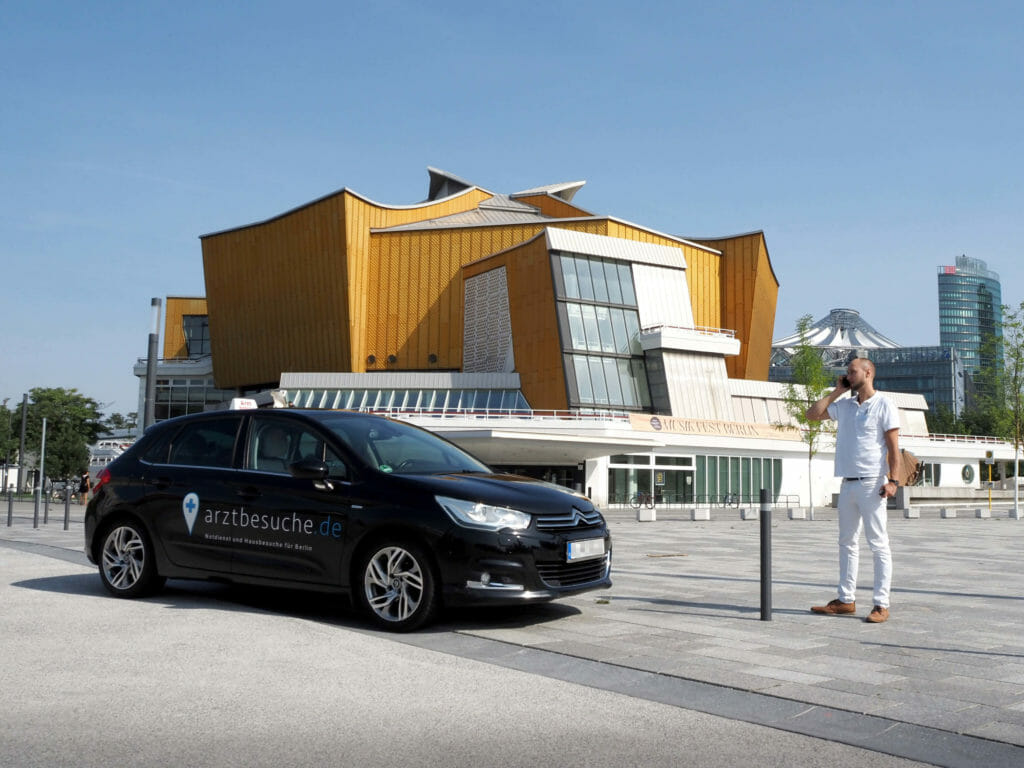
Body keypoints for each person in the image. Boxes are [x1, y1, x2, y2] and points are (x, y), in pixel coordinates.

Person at [805, 357, 900, 624]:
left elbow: (893, 448)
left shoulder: (884, 405)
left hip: (873, 484)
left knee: (879, 544)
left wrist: (893, 481)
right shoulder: (844, 406)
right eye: (847, 372)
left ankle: (881, 604)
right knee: (847, 543)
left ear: (868, 373)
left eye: (852, 371)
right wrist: (837, 391)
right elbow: (811, 415)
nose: (847, 374)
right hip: (847, 483)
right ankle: (846, 600)